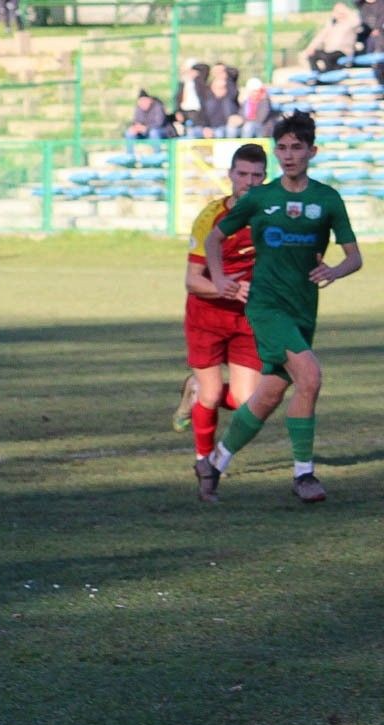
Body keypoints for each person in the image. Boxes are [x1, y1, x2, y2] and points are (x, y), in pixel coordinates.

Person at [197, 112, 363, 503]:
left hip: (303, 308)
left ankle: (214, 462)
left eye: (297, 148)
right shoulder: (261, 197)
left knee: (269, 395)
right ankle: (304, 474)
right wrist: (219, 279)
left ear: (312, 151)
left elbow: (355, 257)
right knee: (310, 377)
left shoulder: (326, 199)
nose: (289, 156)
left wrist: (334, 270)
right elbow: (214, 238)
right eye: (283, 148)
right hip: (267, 307)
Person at [174, 143, 268, 501]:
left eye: (256, 175)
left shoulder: (269, 216)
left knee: (249, 403)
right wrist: (226, 289)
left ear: (264, 177)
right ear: (231, 175)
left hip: (246, 320)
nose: (249, 182)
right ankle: (204, 462)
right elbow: (191, 280)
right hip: (207, 316)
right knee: (212, 394)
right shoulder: (211, 216)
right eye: (242, 174)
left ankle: (195, 391)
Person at [302, 2, 362, 73]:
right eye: (336, 11)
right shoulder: (331, 24)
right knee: (312, 55)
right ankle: (317, 74)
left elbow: (357, 21)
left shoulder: (351, 22)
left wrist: (346, 11)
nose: (339, 13)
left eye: (341, 11)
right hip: (329, 51)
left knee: (328, 57)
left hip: (343, 51)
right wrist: (311, 47)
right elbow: (320, 36)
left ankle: (329, 73)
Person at [174, 60, 211, 136]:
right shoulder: (183, 83)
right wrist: (177, 111)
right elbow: (177, 99)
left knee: (194, 132)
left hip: (196, 113)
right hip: (184, 112)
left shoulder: (199, 83)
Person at [199, 74, 240, 138]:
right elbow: (202, 117)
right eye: (218, 88)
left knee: (224, 131)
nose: (221, 90)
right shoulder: (207, 101)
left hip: (225, 127)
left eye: (223, 87)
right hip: (210, 128)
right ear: (212, 88)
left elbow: (236, 115)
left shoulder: (230, 101)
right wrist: (205, 128)